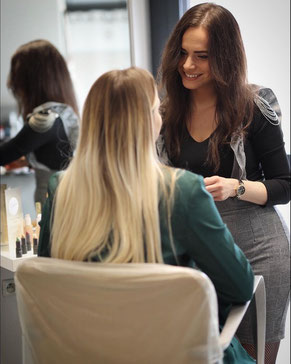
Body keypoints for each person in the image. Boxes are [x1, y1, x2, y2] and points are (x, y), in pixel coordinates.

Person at [38, 67, 255, 363]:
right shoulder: (183, 192)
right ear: (144, 124)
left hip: (90, 354)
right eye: (156, 110)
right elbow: (240, 285)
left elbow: (49, 282)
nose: (161, 118)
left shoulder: (60, 190)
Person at [156, 3, 290, 363]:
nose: (187, 65)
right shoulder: (167, 113)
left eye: (201, 56)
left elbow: (284, 185)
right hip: (196, 254)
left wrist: (236, 187)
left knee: (253, 356)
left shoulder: (255, 106)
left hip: (260, 250)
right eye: (182, 54)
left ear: (226, 59)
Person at [0, 39, 79, 205]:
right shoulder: (65, 113)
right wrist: (28, 161)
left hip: (54, 209)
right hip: (69, 204)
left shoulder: (45, 120)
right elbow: (55, 156)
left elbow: (7, 152)